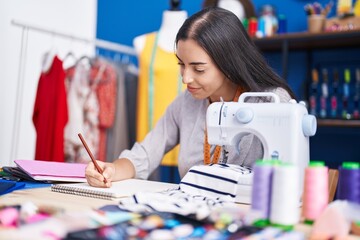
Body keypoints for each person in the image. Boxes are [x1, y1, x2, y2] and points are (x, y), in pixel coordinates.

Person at [85, 7, 296, 187]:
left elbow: (287, 181)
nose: (186, 79)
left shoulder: (272, 103)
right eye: (181, 65)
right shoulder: (186, 103)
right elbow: (145, 155)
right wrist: (112, 169)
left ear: (229, 64)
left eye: (198, 69)